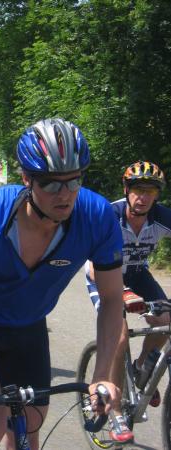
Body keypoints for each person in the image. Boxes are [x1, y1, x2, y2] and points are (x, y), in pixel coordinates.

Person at [0, 118, 125, 450]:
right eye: (52, 185)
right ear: (26, 179)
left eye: (74, 181)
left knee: (29, 428)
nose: (66, 195)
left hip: (27, 324)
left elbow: (112, 300)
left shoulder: (97, 218)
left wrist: (102, 376)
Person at [85, 161, 171, 444]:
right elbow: (93, 266)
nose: (142, 197)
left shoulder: (161, 218)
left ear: (157, 195)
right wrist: (121, 293)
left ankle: (142, 367)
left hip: (136, 273)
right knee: (118, 336)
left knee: (165, 322)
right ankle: (117, 412)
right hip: (104, 275)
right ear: (126, 189)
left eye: (150, 191)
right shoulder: (108, 215)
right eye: (137, 189)